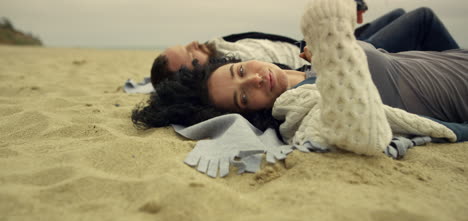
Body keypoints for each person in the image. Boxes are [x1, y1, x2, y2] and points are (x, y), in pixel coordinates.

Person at [133, 0, 468, 156]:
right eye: (244, 97)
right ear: (251, 113)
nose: (253, 80)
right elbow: (359, 130)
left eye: (239, 71)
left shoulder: (310, 70)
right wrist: (331, 34)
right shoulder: (306, 105)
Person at [149, 3, 459, 87]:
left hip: (316, 43)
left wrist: (346, 21)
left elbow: (281, 42)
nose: (193, 45)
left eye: (185, 45)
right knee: (422, 20)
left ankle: (439, 71)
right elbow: (289, 74)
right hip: (324, 57)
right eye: (189, 57)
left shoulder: (220, 44)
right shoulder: (229, 70)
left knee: (400, 15)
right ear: (193, 76)